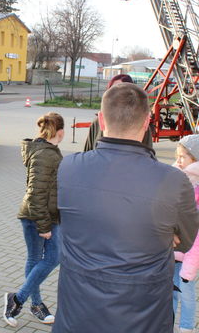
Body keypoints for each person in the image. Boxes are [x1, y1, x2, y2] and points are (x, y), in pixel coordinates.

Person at [53, 83, 199, 333]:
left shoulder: (69, 167)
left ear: (101, 119)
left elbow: (65, 219)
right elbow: (185, 240)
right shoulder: (173, 180)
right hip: (143, 315)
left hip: (76, 313)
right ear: (146, 122)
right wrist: (161, 235)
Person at [4, 112, 64, 327]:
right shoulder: (44, 154)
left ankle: (25, 301)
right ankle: (26, 301)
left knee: (42, 259)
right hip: (36, 217)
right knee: (48, 258)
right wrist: (43, 225)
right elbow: (35, 192)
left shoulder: (47, 151)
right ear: (61, 132)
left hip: (48, 216)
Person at [84, 74, 153, 151]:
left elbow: (148, 156)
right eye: (111, 90)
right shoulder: (97, 123)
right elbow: (88, 152)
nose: (114, 94)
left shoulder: (142, 125)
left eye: (119, 90)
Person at [173, 134, 199, 333]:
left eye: (184, 157)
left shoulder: (196, 190)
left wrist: (190, 266)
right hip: (171, 252)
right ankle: (166, 323)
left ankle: (186, 327)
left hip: (188, 257)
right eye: (178, 156)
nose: (179, 161)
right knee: (169, 293)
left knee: (187, 293)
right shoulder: (177, 181)